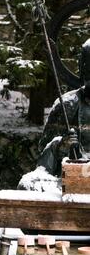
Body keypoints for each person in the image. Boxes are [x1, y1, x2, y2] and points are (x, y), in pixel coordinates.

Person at [18, 39, 90, 190]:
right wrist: (62, 145)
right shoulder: (68, 104)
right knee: (28, 185)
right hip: (69, 177)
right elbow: (44, 152)